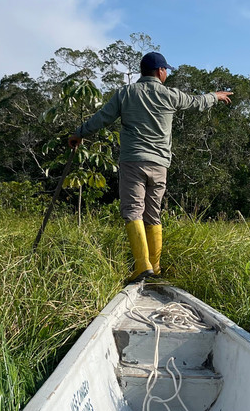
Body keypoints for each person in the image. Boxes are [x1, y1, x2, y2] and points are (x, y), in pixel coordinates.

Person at [69, 51, 232, 283]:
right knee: (152, 214)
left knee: (133, 211)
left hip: (133, 161)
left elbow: (102, 118)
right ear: (160, 71)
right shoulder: (170, 95)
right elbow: (196, 102)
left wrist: (79, 133)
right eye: (166, 70)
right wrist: (214, 96)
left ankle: (142, 265)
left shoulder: (125, 93)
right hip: (159, 164)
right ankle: (154, 268)